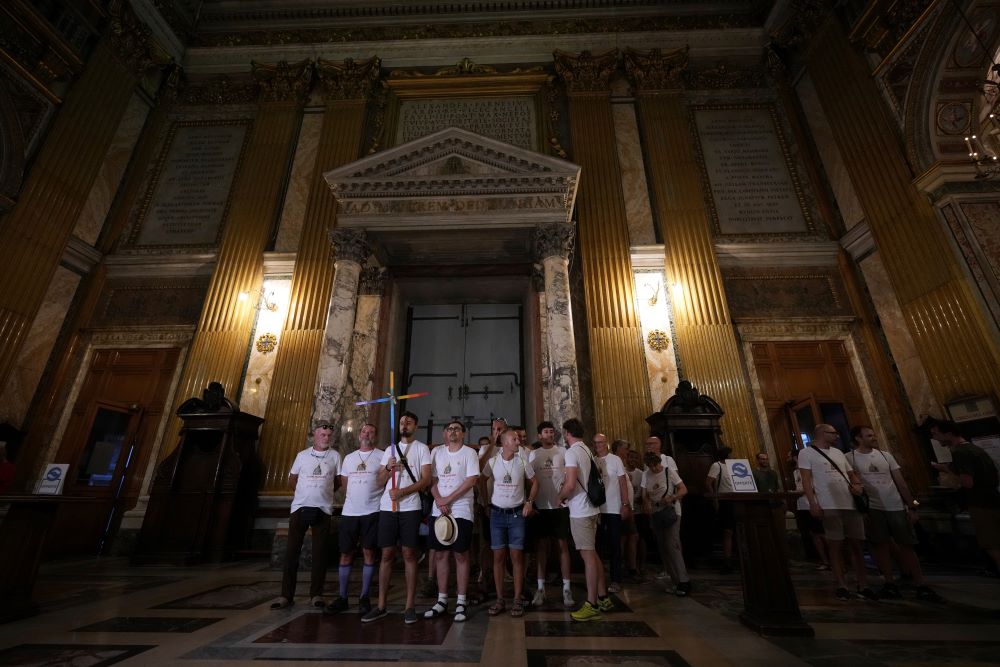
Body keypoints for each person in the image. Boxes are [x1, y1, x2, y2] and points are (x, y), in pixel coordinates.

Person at [848, 425, 941, 601]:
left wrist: (911, 506)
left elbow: (901, 482)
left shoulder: (885, 455)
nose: (874, 437)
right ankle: (889, 583)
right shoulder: (850, 458)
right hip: (873, 508)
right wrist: (860, 511)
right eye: (869, 435)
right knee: (879, 546)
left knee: (907, 545)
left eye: (874, 434)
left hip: (896, 506)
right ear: (858, 439)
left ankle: (920, 583)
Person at [362, 411, 432, 624]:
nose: (405, 424)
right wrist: (389, 468)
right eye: (402, 422)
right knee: (386, 555)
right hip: (388, 507)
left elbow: (426, 480)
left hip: (410, 507)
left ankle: (409, 606)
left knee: (409, 554)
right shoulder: (390, 450)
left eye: (409, 422)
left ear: (415, 427)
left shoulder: (421, 449)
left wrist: (403, 492)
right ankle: (381, 605)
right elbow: (379, 481)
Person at [798, 423, 877, 601]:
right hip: (828, 503)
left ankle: (863, 584)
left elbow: (851, 474)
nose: (837, 436)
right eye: (833, 433)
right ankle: (841, 584)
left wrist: (857, 485)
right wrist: (813, 503)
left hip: (849, 503)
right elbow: (806, 480)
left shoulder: (839, 453)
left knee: (857, 545)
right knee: (835, 546)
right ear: (821, 433)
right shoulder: (806, 453)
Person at [272, 422, 341, 610]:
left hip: (323, 509)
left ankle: (316, 594)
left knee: (320, 554)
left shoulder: (335, 456)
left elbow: (337, 481)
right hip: (300, 507)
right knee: (292, 552)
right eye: (323, 435)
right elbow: (291, 479)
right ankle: (286, 595)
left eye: (329, 435)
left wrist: (323, 494)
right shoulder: (302, 456)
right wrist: (303, 493)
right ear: (315, 436)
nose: (326, 438)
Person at [423, 420, 480, 622]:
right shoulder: (437, 452)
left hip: (461, 510)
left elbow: (471, 480)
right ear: (445, 433)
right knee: (440, 554)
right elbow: (432, 480)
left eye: (457, 428)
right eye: (449, 429)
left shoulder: (469, 453)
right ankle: (442, 599)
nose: (452, 431)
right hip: (439, 509)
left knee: (461, 555)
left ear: (463, 434)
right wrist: (439, 500)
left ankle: (461, 601)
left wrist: (449, 499)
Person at [558, 417, 614, 621]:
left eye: (564, 433)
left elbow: (571, 484)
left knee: (588, 556)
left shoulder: (572, 452)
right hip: (592, 508)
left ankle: (591, 604)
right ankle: (603, 596)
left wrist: (560, 497)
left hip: (580, 510)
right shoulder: (587, 450)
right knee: (594, 554)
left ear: (567, 433)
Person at [326, 422, 382, 616]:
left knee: (369, 552)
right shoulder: (349, 458)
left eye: (372, 432)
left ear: (375, 437)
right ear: (359, 435)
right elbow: (344, 483)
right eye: (365, 431)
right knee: (346, 553)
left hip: (372, 511)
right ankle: (342, 597)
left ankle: (364, 596)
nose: (368, 434)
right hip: (350, 512)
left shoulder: (382, 456)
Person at [931, 420, 1000, 573]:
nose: (935, 438)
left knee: (992, 543)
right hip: (993, 498)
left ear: (948, 433)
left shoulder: (960, 452)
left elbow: (967, 482)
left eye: (936, 434)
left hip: (981, 503)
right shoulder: (975, 449)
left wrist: (945, 470)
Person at [483, 427, 538, 616]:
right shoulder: (493, 461)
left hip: (517, 515)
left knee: (516, 557)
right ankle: (499, 599)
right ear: (505, 442)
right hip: (497, 515)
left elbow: (535, 482)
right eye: (514, 439)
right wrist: (486, 503)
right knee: (498, 557)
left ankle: (516, 598)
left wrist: (529, 502)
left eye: (518, 439)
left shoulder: (523, 460)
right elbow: (481, 480)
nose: (518, 442)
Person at [528, 420, 574, 609]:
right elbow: (528, 479)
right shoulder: (533, 454)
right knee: (541, 548)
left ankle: (566, 588)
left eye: (551, 431)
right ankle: (540, 588)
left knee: (562, 546)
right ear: (539, 435)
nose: (549, 434)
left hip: (560, 506)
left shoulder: (563, 452)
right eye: (545, 432)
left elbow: (570, 476)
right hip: (540, 506)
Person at [641, 451, 691, 596]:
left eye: (656, 465)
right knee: (663, 547)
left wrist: (672, 497)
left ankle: (684, 581)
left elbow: (684, 489)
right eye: (651, 466)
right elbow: (646, 495)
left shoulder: (669, 472)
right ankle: (675, 581)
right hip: (656, 514)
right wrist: (647, 503)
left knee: (672, 544)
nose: (654, 469)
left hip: (671, 512)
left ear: (659, 462)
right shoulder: (647, 474)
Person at [594, 433, 631, 593]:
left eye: (601, 442)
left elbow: (623, 483)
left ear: (606, 443)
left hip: (614, 508)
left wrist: (625, 504)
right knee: (597, 546)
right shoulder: (593, 460)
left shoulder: (615, 460)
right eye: (595, 443)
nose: (598, 445)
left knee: (615, 545)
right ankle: (598, 578)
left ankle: (616, 579)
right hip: (597, 509)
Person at [789, 451, 831, 571]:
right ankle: (825, 561)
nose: (788, 459)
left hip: (813, 504)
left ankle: (836, 560)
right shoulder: (795, 472)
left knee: (823, 534)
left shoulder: (810, 470)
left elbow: (814, 487)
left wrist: (798, 493)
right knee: (814, 535)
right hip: (802, 505)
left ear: (795, 457)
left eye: (789, 456)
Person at [706, 446, 736, 573]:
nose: (733, 457)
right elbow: (708, 482)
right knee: (728, 531)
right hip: (725, 500)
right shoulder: (717, 465)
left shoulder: (735, 466)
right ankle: (727, 561)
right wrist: (715, 499)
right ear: (726, 455)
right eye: (731, 454)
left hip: (737, 499)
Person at [618, 444, 643, 582]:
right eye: (628, 454)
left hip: (634, 510)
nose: (631, 458)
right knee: (624, 538)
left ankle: (633, 567)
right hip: (625, 509)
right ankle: (624, 567)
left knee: (634, 538)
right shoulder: (620, 469)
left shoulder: (640, 473)